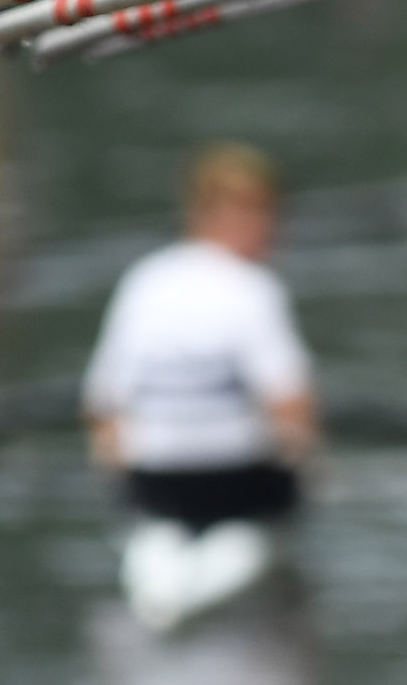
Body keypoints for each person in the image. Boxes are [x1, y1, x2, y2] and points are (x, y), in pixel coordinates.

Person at [82, 143, 317, 629]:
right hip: (239, 483)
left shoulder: (144, 280)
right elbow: (293, 407)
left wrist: (113, 451)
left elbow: (101, 404)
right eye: (265, 214)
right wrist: (311, 459)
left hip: (154, 480)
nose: (273, 230)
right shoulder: (255, 289)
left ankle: (157, 583)